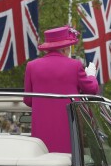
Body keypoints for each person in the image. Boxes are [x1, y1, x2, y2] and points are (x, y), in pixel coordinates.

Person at [23, 25, 99, 153]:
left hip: (41, 131)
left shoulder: (31, 66)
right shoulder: (75, 65)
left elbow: (28, 100)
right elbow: (91, 89)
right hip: (68, 129)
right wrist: (91, 75)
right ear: (65, 48)